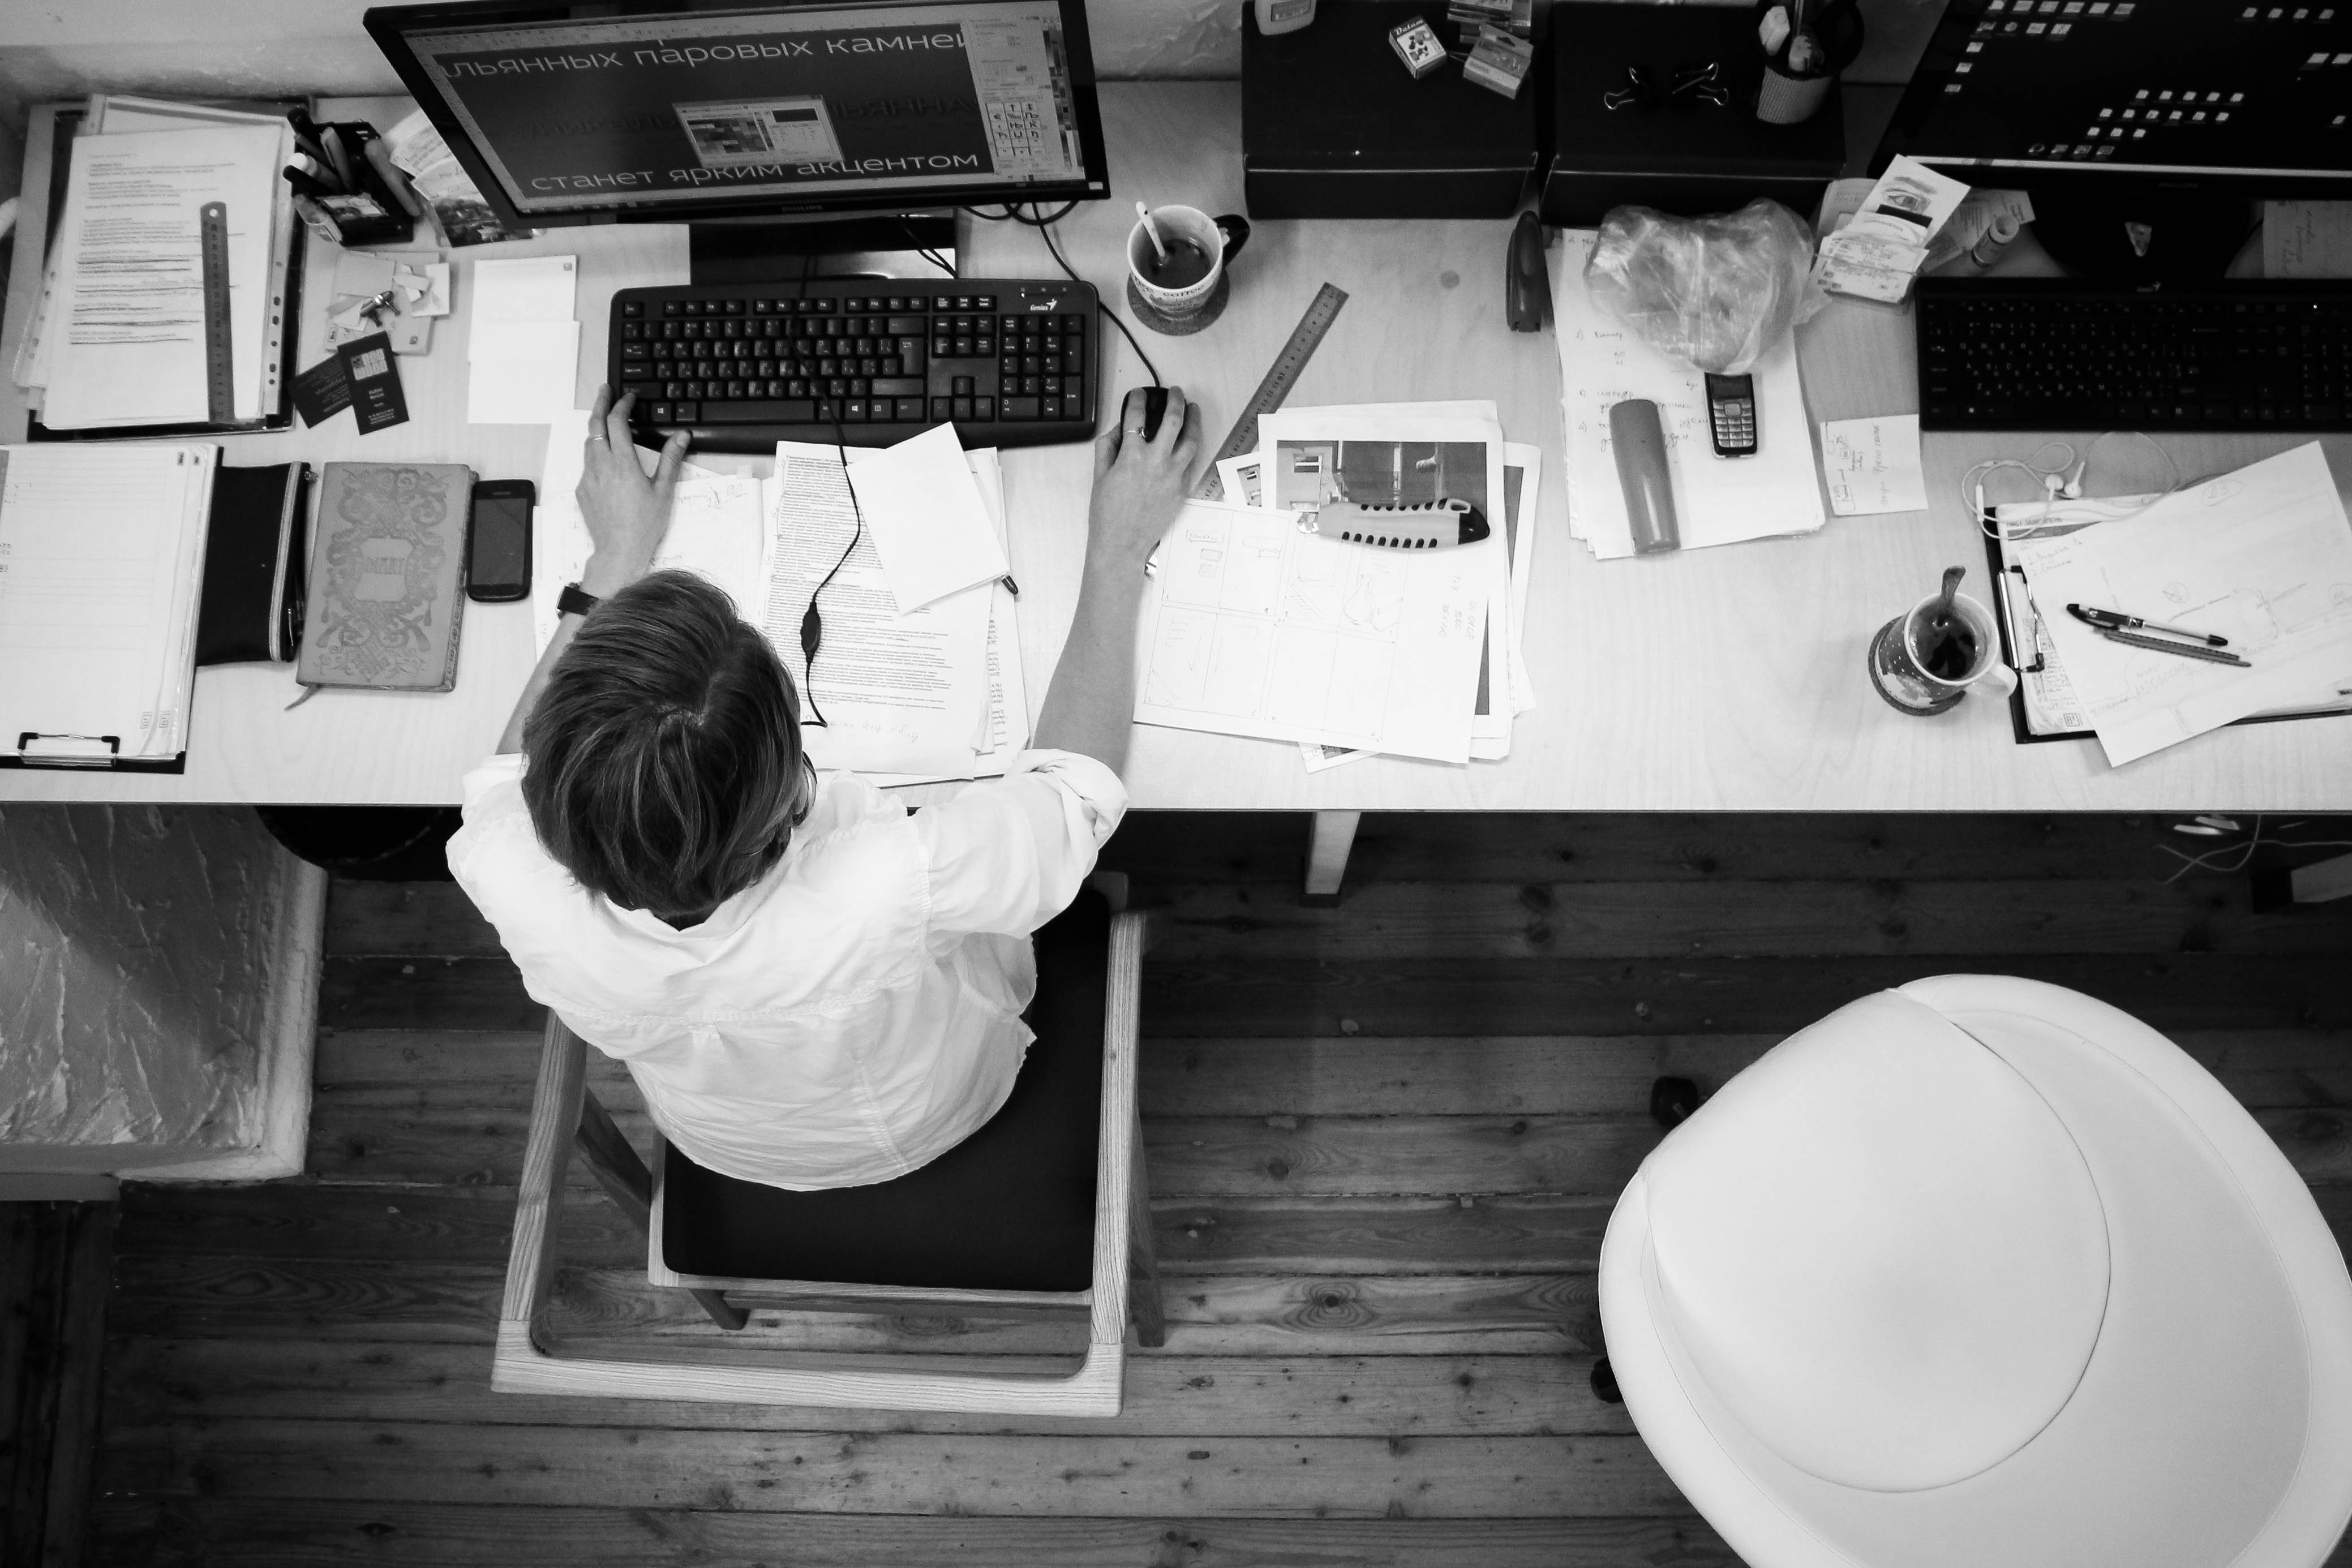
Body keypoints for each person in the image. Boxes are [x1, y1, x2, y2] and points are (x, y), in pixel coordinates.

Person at [447, 384, 1201, 1189]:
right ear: (789, 785)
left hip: (718, 1138)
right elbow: (1072, 797)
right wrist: (1119, 551)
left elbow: (504, 774)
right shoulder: (885, 884)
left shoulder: (499, 866)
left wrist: (610, 564)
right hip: (929, 1114)